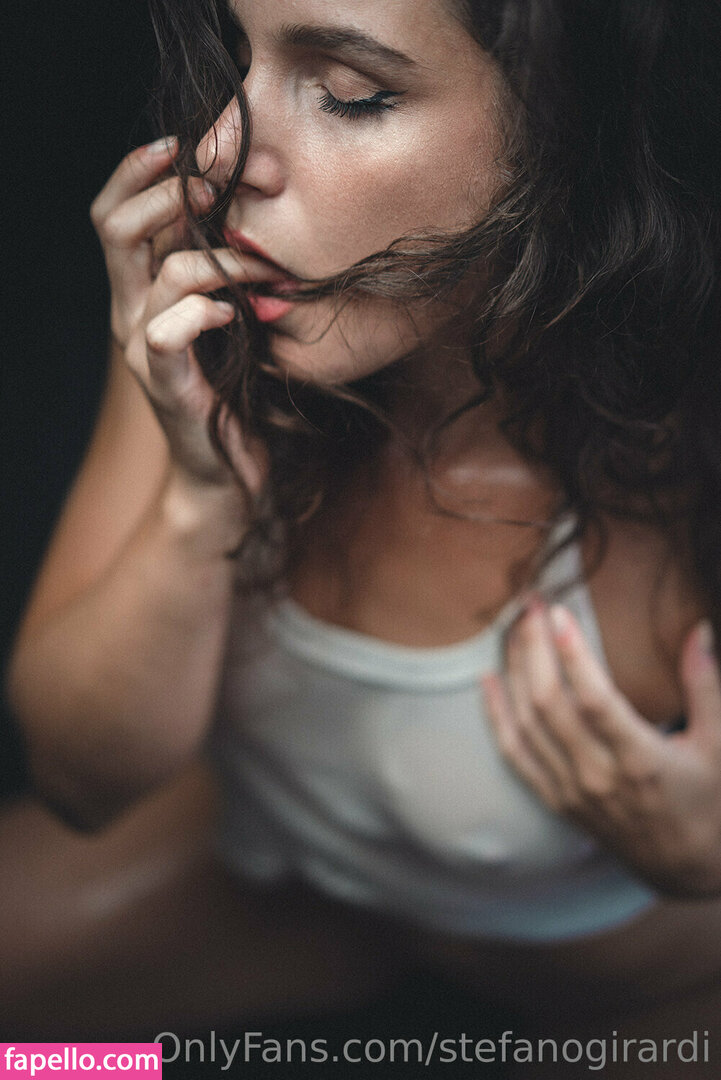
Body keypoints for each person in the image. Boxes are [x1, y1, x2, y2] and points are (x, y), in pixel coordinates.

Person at [5, 0, 721, 1071]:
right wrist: (199, 502)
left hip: (610, 990)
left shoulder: (686, 446)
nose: (217, 155)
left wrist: (706, 852)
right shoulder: (201, 309)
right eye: (233, 58)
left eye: (349, 95)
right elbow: (80, 778)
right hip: (291, 886)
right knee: (33, 1060)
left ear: (573, 129)